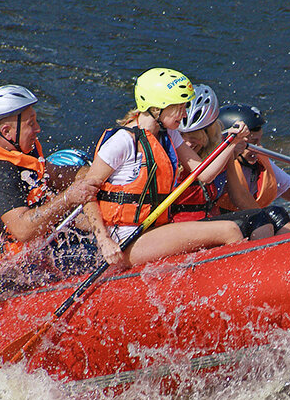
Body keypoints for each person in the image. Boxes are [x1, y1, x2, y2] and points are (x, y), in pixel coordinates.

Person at [80, 69, 252, 272]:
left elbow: (204, 174)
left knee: (234, 229)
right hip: (125, 241)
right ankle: (241, 293)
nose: (185, 114)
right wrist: (104, 241)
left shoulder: (169, 135)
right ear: (156, 108)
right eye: (179, 107)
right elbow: (85, 193)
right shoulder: (123, 141)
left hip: (152, 231)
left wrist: (232, 143)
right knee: (229, 231)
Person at [0, 84, 98, 291]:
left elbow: (49, 173)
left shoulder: (12, 144)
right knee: (90, 258)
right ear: (7, 131)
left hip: (17, 255)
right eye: (31, 123)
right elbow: (23, 230)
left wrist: (96, 173)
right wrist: (69, 198)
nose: (38, 129)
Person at [173, 91, 290, 238]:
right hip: (179, 227)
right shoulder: (170, 155)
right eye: (181, 137)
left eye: (194, 137)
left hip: (209, 220)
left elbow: (239, 196)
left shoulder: (221, 152)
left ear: (208, 134)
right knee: (259, 220)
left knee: (276, 215)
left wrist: (267, 220)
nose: (187, 143)